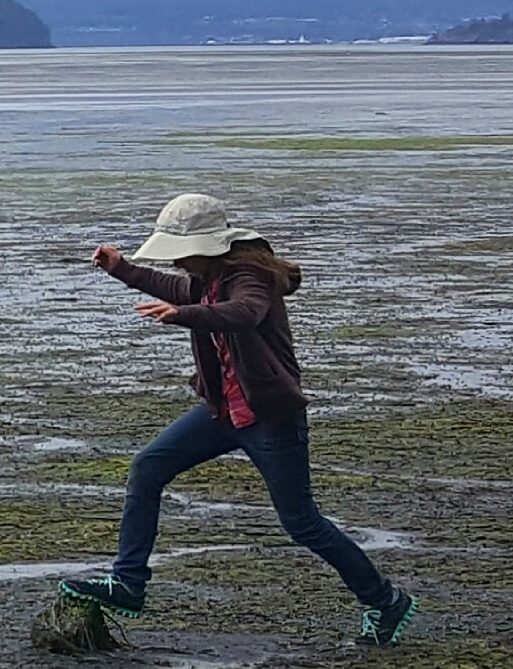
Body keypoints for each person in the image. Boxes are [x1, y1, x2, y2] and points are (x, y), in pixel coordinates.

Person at [61, 190, 414, 644]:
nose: (177, 264)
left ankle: (386, 601)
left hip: (270, 418)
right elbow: (173, 289)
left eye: (181, 253)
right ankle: (128, 584)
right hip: (223, 411)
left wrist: (183, 315)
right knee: (147, 468)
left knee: (302, 523)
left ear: (207, 246)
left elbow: (244, 314)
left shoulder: (250, 275)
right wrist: (122, 269)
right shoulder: (205, 279)